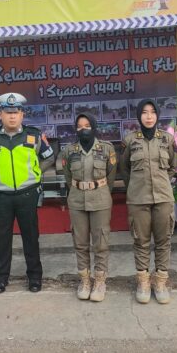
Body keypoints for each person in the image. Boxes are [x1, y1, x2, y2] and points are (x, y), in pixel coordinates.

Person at [0, 92, 55, 294]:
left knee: (31, 237)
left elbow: (49, 157)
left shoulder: (34, 135)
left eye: (16, 112)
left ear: (22, 114)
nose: (12, 116)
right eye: (8, 112)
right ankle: (1, 278)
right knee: (1, 239)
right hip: (1, 196)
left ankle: (35, 277)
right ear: (0, 114)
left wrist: (35, 174)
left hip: (27, 194)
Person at [120, 98, 177, 304]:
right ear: (139, 116)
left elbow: (172, 166)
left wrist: (161, 182)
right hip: (138, 199)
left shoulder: (167, 140)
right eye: (144, 112)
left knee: (163, 241)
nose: (149, 116)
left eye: (152, 112)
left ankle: (160, 282)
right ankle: (143, 282)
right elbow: (124, 169)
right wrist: (137, 186)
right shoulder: (129, 141)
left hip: (163, 197)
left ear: (157, 115)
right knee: (141, 241)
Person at [59, 113, 117, 302]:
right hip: (77, 200)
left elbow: (111, 176)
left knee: (101, 242)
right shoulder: (69, 151)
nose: (83, 129)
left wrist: (101, 190)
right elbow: (68, 177)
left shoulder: (106, 149)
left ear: (94, 126)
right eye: (79, 126)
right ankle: (84, 280)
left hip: (100, 198)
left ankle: (99, 281)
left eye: (87, 125)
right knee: (80, 242)